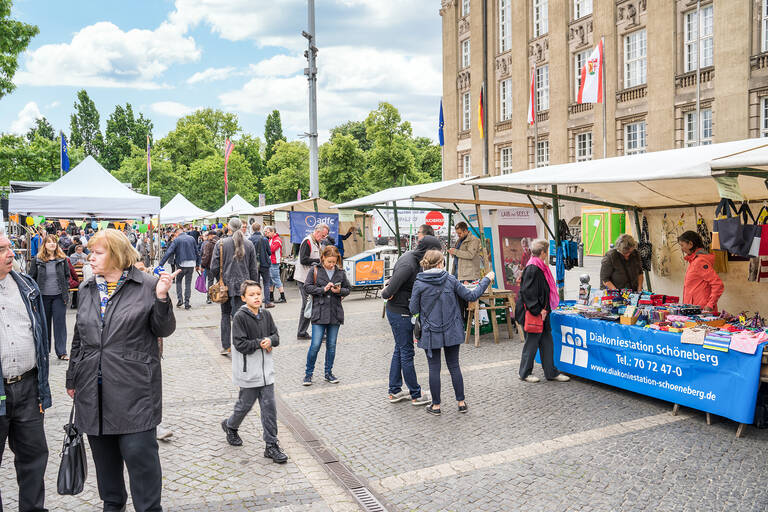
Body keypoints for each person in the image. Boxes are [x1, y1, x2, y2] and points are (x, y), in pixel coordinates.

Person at [66, 229, 178, 512]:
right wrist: (73, 378)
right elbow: (80, 337)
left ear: (116, 255)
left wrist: (162, 298)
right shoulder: (88, 288)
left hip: (135, 394)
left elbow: (163, 329)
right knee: (109, 483)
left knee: (142, 469)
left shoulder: (148, 285)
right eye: (91, 252)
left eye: (98, 253)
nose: (90, 258)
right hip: (94, 394)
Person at [0, 233, 52, 512]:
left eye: (10, 247)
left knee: (34, 458)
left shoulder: (27, 286)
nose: (11, 254)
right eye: (2, 249)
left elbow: (40, 336)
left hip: (29, 387)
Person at [410, 250, 494, 414]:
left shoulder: (419, 282)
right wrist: (487, 280)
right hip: (452, 329)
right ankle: (461, 403)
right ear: (441, 263)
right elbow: (472, 296)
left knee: (434, 368)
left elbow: (413, 308)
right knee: (454, 366)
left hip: (430, 330)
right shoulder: (450, 279)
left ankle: (436, 406)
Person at [220, 280, 288, 463]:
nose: (256, 297)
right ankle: (230, 425)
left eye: (258, 293)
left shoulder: (266, 314)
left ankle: (271, 445)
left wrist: (270, 341)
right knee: (244, 406)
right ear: (243, 298)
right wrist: (259, 343)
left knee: (269, 409)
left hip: (266, 372)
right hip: (249, 372)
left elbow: (276, 336)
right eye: (252, 294)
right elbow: (239, 344)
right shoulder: (240, 317)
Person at [381, 235, 442, 406]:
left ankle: (394, 390)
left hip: (400, 311)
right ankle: (415, 394)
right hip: (400, 312)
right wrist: (386, 293)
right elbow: (389, 289)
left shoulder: (412, 258)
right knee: (407, 352)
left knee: (400, 350)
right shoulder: (409, 264)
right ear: (428, 250)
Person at [515, 239, 571, 383]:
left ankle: (551, 372)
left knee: (547, 342)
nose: (547, 254)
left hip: (543, 312)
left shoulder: (538, 266)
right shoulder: (533, 268)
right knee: (532, 343)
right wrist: (538, 310)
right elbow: (528, 292)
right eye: (546, 251)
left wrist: (545, 309)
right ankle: (525, 373)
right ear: (542, 252)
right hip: (534, 313)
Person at [302, 246, 350, 386]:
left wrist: (339, 290)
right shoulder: (315, 270)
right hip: (319, 312)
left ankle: (328, 373)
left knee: (331, 345)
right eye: (329, 261)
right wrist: (323, 289)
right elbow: (307, 287)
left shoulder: (340, 272)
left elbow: (348, 289)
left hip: (335, 312)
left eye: (334, 262)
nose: (331, 264)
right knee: (315, 344)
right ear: (323, 258)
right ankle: (308, 374)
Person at [210, 218, 259, 355]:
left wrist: (219, 279)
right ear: (242, 228)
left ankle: (226, 346)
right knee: (241, 315)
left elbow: (213, 266)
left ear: (229, 228)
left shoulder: (220, 244)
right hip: (244, 285)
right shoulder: (249, 244)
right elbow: (253, 268)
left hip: (224, 285)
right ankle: (240, 344)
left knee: (225, 315)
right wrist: (254, 287)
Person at [29, 234, 76, 360]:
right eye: (49, 242)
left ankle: (62, 352)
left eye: (54, 242)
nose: (52, 244)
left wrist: (65, 289)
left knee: (60, 324)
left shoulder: (62, 260)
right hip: (43, 297)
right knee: (45, 324)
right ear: (44, 245)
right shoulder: (37, 260)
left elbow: (67, 276)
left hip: (59, 297)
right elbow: (31, 278)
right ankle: (45, 351)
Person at [294, 224, 329, 340]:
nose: (324, 238)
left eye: (325, 236)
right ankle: (306, 332)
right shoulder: (307, 241)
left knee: (309, 305)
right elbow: (303, 259)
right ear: (317, 232)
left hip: (310, 279)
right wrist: (319, 261)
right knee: (309, 305)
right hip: (303, 279)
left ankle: (302, 332)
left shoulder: (316, 242)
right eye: (323, 235)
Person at [678, 231, 724, 312]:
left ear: (690, 244)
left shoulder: (699, 261)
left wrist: (710, 305)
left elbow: (718, 284)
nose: (682, 249)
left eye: (682, 245)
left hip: (701, 310)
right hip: (693, 308)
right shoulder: (694, 260)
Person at [159, 227, 200, 310]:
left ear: (177, 233)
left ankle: (180, 299)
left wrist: (161, 264)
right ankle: (187, 303)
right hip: (191, 264)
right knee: (188, 284)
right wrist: (198, 264)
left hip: (181, 264)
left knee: (178, 281)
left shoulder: (177, 240)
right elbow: (197, 252)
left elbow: (169, 252)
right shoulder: (191, 238)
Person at [249, 223, 274, 309]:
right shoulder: (264, 239)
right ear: (260, 228)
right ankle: (267, 302)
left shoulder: (250, 239)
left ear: (252, 229)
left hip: (254, 265)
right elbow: (269, 252)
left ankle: (257, 303)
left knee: (256, 284)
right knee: (266, 283)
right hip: (265, 264)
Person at [265, 226, 287, 303]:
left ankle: (283, 297)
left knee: (276, 278)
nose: (266, 234)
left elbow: (271, 249)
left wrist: (266, 247)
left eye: (268, 232)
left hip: (274, 262)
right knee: (271, 279)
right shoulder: (271, 239)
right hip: (271, 261)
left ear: (273, 232)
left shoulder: (277, 240)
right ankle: (271, 296)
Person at [200, 230, 220, 303]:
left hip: (210, 266)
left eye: (208, 235)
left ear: (211, 235)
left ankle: (209, 298)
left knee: (210, 281)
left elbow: (206, 256)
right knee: (219, 281)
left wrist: (202, 265)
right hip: (220, 267)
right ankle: (220, 296)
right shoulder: (221, 242)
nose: (207, 237)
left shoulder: (208, 244)